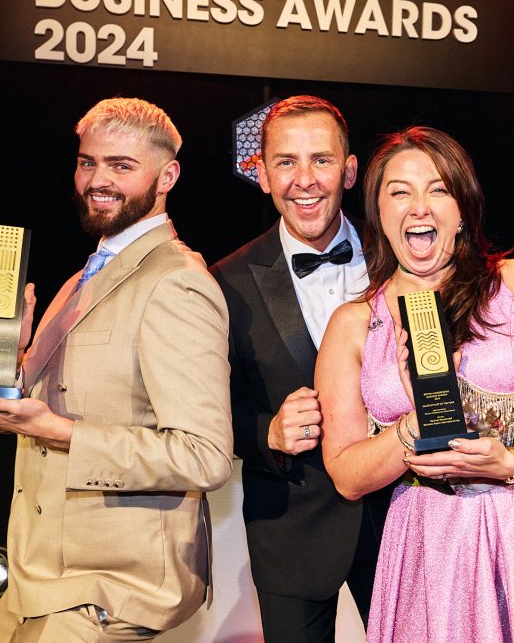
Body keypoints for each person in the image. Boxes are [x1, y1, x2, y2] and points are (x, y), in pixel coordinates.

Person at [316, 126, 514, 642]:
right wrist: (416, 421)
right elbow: (348, 474)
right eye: (399, 191)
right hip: (432, 544)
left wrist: (512, 462)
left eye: (438, 189)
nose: (419, 206)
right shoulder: (353, 325)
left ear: (462, 208)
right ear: (377, 212)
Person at [0, 97, 234, 641]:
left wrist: (60, 432)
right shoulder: (82, 278)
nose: (98, 180)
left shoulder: (177, 282)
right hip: (38, 577)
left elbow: (205, 456)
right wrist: (7, 352)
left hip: (110, 590)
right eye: (87, 162)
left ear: (167, 175)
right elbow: (31, 414)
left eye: (121, 166)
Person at [209, 95, 387, 642]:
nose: (303, 180)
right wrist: (269, 432)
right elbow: (208, 409)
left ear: (350, 170)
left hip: (400, 516)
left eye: (322, 160)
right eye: (286, 162)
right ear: (261, 174)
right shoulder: (226, 280)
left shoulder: (398, 258)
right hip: (289, 527)